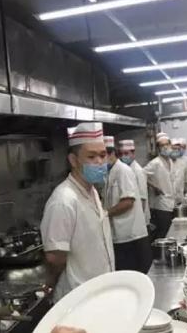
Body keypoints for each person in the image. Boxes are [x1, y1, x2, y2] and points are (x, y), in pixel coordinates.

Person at [40, 122, 115, 302]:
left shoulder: (92, 191)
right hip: (78, 297)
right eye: (91, 156)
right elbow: (54, 257)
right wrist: (51, 282)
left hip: (100, 291)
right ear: (73, 160)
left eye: (102, 155)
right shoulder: (64, 200)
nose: (99, 162)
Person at [104, 139, 152, 273]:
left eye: (102, 156)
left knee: (134, 274)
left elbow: (128, 202)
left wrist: (105, 214)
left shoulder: (123, 170)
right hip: (121, 234)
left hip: (131, 235)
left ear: (111, 154)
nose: (99, 161)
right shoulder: (111, 172)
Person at [144, 132, 177, 239]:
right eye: (162, 145)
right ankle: (159, 250)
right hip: (160, 205)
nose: (165, 147)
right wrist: (153, 186)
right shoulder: (155, 163)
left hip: (171, 203)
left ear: (170, 145)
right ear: (158, 148)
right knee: (163, 232)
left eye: (167, 144)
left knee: (169, 231)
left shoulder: (170, 161)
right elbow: (141, 175)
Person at [123, 140, 151, 227]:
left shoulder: (138, 171)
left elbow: (142, 198)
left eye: (126, 153)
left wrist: (139, 218)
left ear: (133, 154)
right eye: (121, 154)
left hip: (139, 217)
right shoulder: (126, 169)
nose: (123, 156)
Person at [171, 138, 187, 203]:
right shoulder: (165, 162)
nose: (177, 150)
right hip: (168, 198)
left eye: (178, 149)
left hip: (179, 196)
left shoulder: (184, 162)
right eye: (174, 149)